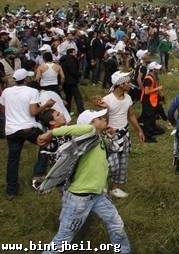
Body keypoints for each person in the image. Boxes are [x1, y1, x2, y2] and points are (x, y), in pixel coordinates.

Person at [37, 109, 131, 253]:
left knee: (116, 224)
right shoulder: (89, 133)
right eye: (99, 118)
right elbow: (85, 128)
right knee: (63, 239)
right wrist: (51, 132)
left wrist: (111, 136)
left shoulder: (98, 139)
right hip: (79, 197)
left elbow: (114, 148)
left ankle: (124, 251)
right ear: (90, 125)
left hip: (98, 195)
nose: (104, 119)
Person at [0, 69, 55, 199]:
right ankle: (39, 176)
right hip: (27, 128)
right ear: (25, 79)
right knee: (46, 142)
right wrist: (46, 105)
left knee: (13, 159)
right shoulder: (32, 91)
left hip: (12, 130)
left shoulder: (7, 92)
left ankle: (11, 191)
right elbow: (33, 112)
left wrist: (13, 114)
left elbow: (2, 108)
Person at [98, 71, 145, 199]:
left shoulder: (128, 98)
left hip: (124, 134)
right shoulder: (107, 100)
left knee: (123, 162)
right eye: (128, 82)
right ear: (120, 84)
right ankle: (101, 186)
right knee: (111, 164)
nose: (130, 84)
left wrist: (139, 130)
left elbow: (130, 115)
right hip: (110, 136)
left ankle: (115, 188)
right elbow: (103, 120)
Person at [139, 61, 164, 143]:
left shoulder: (153, 77)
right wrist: (158, 89)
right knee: (148, 118)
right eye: (157, 69)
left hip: (152, 101)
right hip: (147, 101)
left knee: (152, 117)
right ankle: (147, 136)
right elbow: (146, 92)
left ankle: (152, 129)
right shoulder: (148, 79)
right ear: (153, 70)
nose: (159, 70)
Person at [60, 48, 85, 114]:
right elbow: (73, 70)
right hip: (72, 81)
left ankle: (67, 111)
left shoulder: (62, 60)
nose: (75, 54)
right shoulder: (71, 60)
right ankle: (81, 112)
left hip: (65, 82)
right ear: (70, 53)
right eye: (74, 52)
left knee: (68, 97)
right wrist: (79, 73)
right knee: (78, 97)